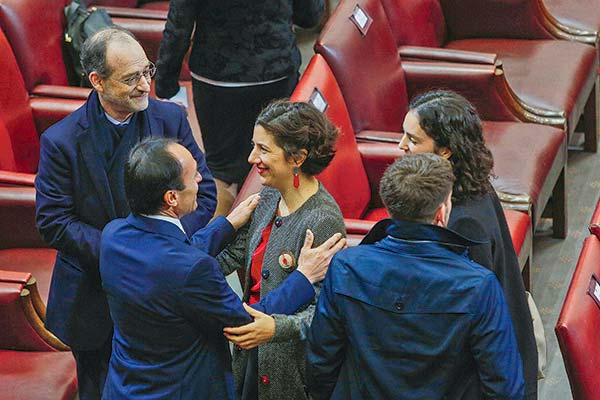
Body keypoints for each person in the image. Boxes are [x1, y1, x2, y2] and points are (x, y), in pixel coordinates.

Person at [34, 27, 216, 400]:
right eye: (132, 78)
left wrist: (158, 252)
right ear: (97, 81)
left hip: (166, 290)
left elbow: (206, 193)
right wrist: (122, 254)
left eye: (146, 71)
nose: (146, 85)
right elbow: (54, 220)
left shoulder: (171, 119)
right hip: (95, 294)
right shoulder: (62, 141)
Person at [100, 138, 344, 399]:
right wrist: (303, 277)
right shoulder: (193, 268)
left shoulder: (113, 235)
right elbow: (247, 321)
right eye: (194, 176)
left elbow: (170, 255)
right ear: (172, 197)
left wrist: (227, 224)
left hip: (124, 386)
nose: (201, 181)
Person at [306, 153, 525, 399]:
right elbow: (504, 386)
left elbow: (321, 361)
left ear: (389, 207)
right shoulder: (479, 286)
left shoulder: (345, 267)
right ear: (442, 212)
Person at [396, 90, 538, 399]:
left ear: (445, 150)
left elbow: (470, 319)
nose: (401, 147)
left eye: (413, 140)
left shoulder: (462, 222)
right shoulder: (473, 187)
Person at [216, 100, 346, 400]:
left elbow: (328, 313)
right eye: (253, 146)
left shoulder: (323, 220)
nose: (252, 158)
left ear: (297, 157)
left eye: (263, 149)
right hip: (249, 352)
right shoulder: (269, 194)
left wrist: (275, 329)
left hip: (289, 369)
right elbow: (236, 255)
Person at [155, 0, 325, 216]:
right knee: (278, 160)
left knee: (221, 171)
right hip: (275, 72)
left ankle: (215, 242)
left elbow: (179, 26)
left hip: (217, 78)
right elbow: (309, 17)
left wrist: (165, 82)